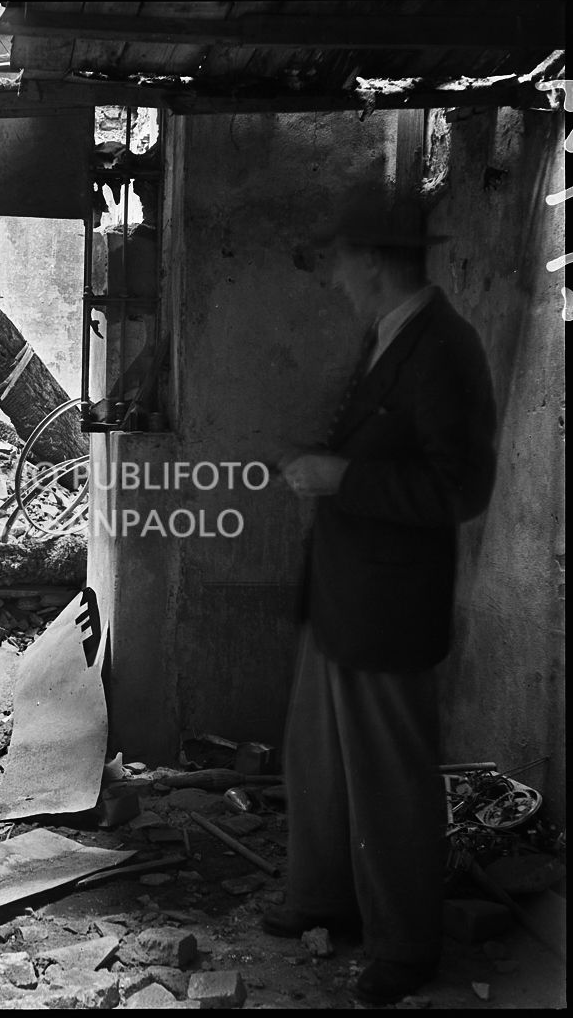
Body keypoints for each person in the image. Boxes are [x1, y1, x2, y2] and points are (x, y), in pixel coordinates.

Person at [266, 185, 497, 1005]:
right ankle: (323, 898)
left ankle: (407, 945)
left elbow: (460, 488)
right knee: (318, 759)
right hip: (343, 593)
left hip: (390, 605)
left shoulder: (444, 347)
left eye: (340, 259)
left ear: (373, 262)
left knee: (392, 779)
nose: (333, 275)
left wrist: (345, 477)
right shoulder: (389, 334)